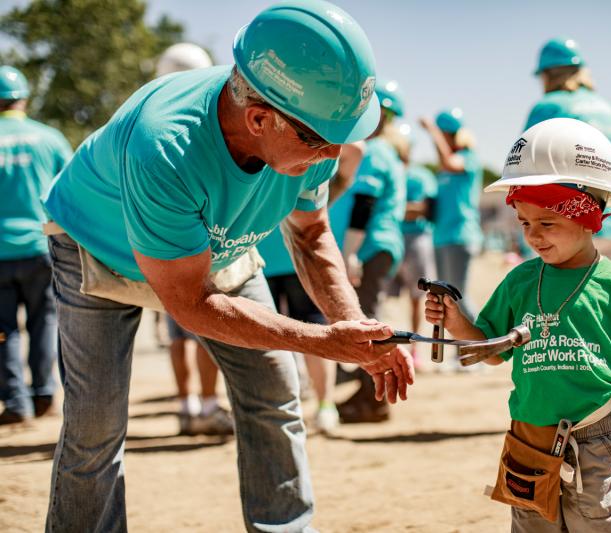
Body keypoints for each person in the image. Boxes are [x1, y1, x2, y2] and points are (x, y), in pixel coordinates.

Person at [40, 3, 413, 531]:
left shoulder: (304, 135)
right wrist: (322, 342)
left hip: (219, 247)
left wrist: (351, 324)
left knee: (274, 393)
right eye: (321, 140)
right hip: (99, 247)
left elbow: (311, 234)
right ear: (260, 118)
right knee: (96, 428)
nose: (333, 154)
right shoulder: (165, 147)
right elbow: (190, 305)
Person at [425, 118, 611, 532]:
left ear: (587, 218)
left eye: (547, 223)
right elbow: (491, 349)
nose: (533, 236)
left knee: (594, 524)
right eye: (524, 224)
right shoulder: (520, 280)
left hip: (596, 439)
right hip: (528, 441)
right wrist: (456, 322)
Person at [153, 42, 234, 436]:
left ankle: (186, 407)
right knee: (203, 331)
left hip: (159, 250)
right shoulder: (206, 117)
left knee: (176, 336)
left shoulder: (154, 112)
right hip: (204, 248)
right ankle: (206, 404)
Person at [259, 141, 366, 433]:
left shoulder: (261, 164)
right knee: (317, 328)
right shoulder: (310, 168)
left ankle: (277, 411)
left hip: (262, 257)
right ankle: (325, 406)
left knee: (264, 336)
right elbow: (356, 151)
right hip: (298, 257)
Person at [0, 66, 72, 425]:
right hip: (41, 247)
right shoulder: (49, 138)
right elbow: (72, 190)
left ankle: (15, 401)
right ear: (23, 98)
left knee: (4, 329)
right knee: (45, 322)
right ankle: (43, 392)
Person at [337, 79, 407, 423]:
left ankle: (374, 399)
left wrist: (349, 252)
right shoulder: (389, 151)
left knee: (368, 322)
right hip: (383, 244)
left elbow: (364, 203)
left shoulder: (375, 151)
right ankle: (368, 393)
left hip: (370, 246)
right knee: (369, 316)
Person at [524, 37, 611, 263]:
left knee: (559, 298)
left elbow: (525, 163)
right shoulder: (607, 108)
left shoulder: (549, 105)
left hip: (565, 225)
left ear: (547, 74)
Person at [419, 108, 482, 322]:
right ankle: (461, 351)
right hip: (441, 236)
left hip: (460, 235)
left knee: (458, 297)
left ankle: (482, 342)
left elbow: (448, 161)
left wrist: (431, 131)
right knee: (446, 299)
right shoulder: (443, 170)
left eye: (443, 134)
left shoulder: (468, 158)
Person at [385, 122, 438, 369]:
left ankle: (414, 348)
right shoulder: (391, 171)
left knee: (418, 298)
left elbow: (425, 209)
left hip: (416, 240)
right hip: (395, 238)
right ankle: (390, 345)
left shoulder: (420, 175)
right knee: (385, 296)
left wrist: (394, 209)